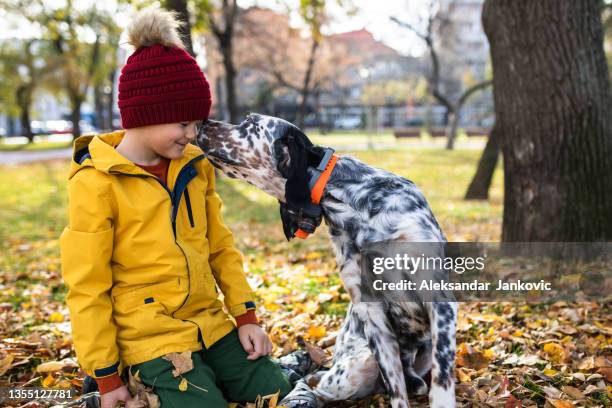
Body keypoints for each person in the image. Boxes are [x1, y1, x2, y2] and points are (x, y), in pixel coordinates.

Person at [59, 8, 292, 408]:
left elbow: (220, 246)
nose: (191, 134)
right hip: (149, 339)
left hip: (210, 326)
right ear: (146, 115)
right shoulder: (96, 183)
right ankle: (111, 394)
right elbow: (87, 287)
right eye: (182, 124)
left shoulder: (195, 168)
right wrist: (106, 377)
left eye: (195, 124)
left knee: (276, 392)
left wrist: (245, 317)